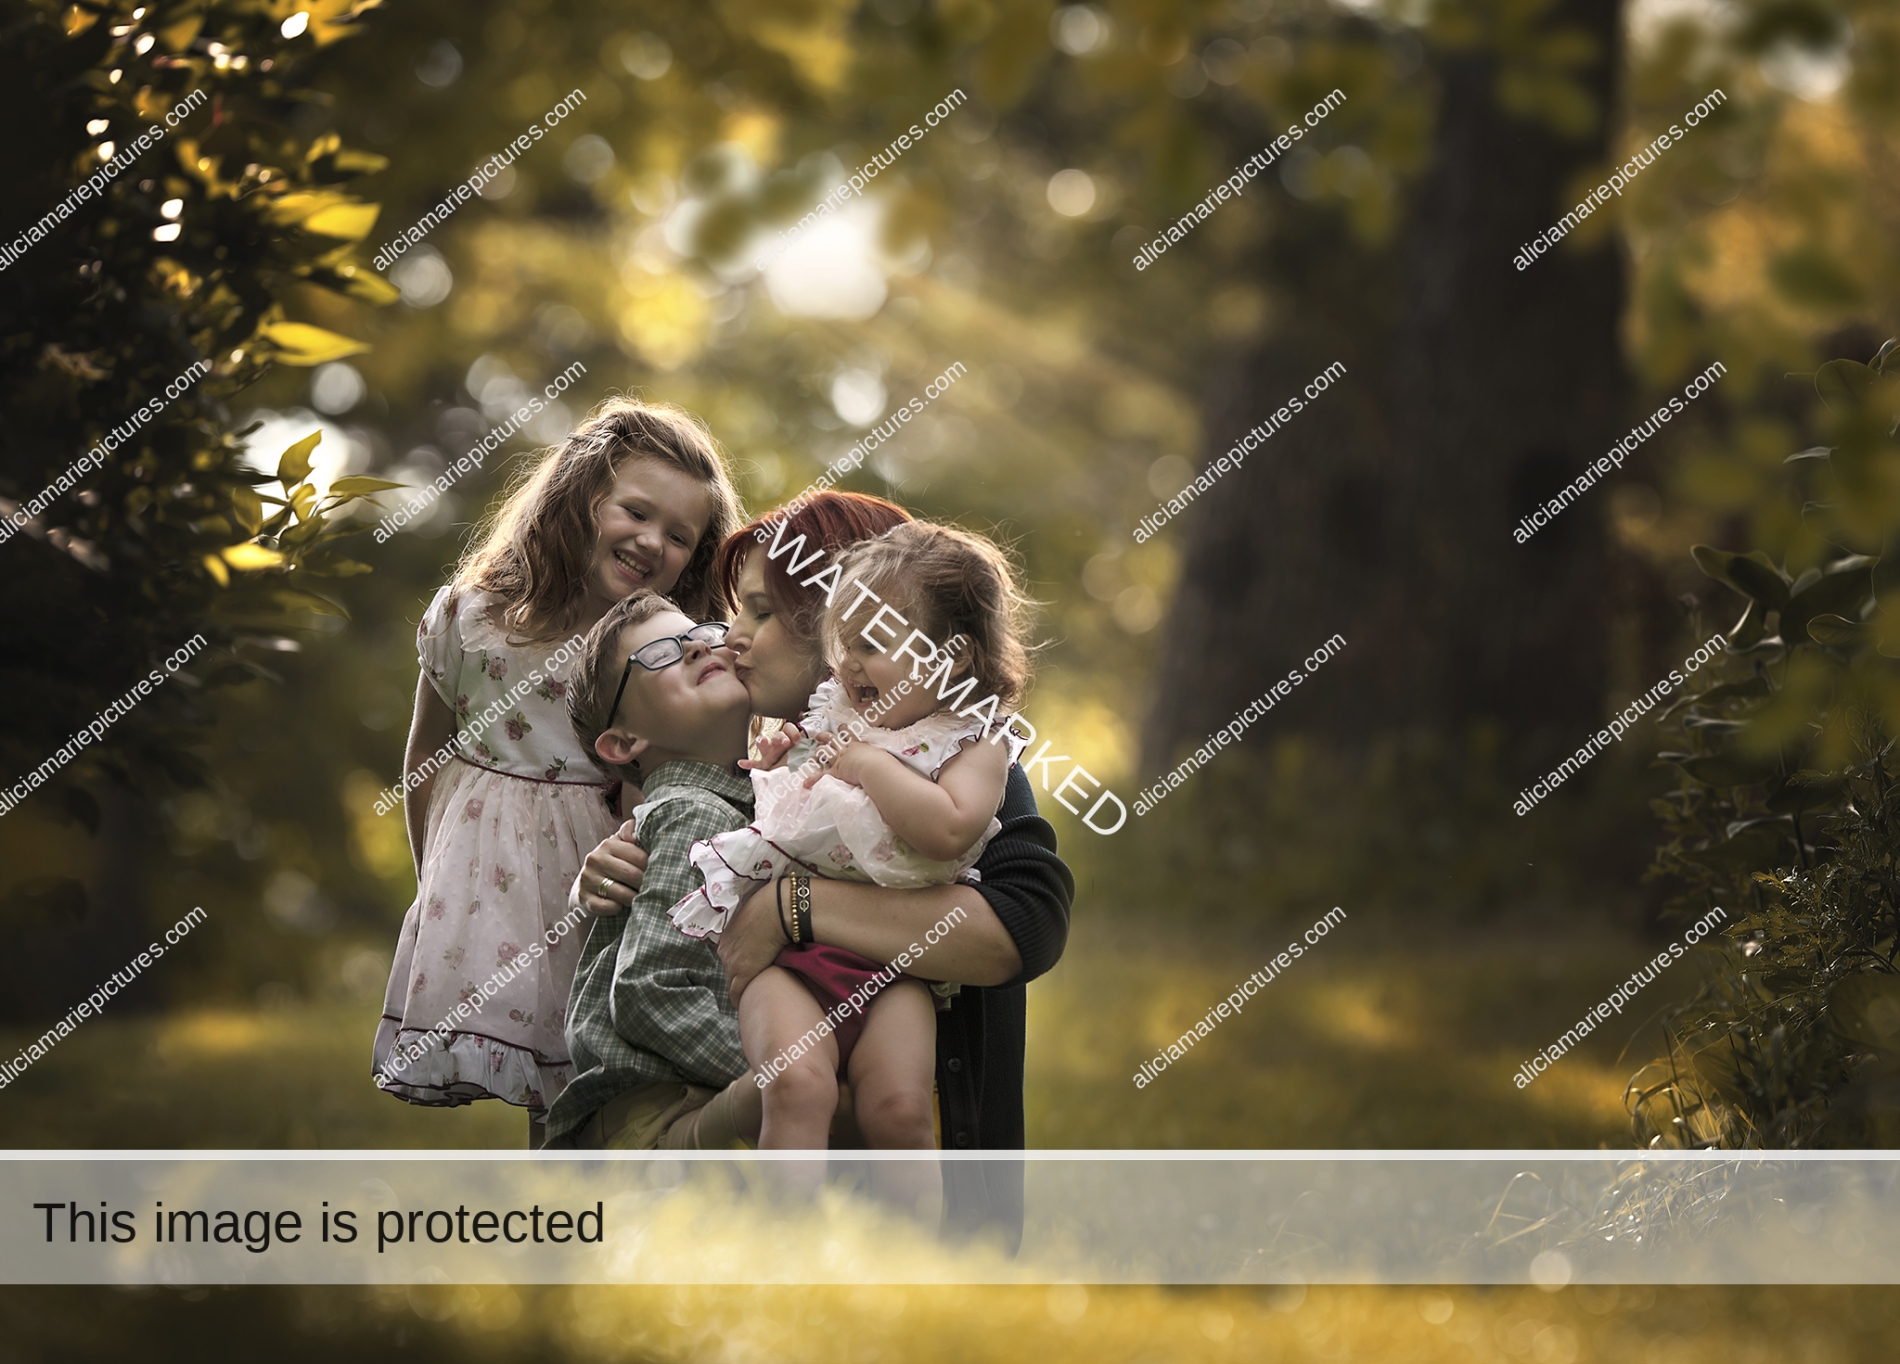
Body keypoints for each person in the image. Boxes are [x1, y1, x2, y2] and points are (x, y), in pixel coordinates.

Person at [565, 491, 1072, 1246]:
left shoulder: (952, 754)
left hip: (936, 1200)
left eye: (763, 613)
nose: (733, 636)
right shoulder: (777, 758)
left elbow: (1020, 929)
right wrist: (602, 872)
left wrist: (793, 906)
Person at [372, 398, 741, 1146]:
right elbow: (425, 755)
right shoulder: (472, 620)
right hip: (496, 893)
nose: (651, 542)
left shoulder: (665, 657)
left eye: (678, 535)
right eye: (635, 512)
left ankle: (634, 1191)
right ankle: (570, 1218)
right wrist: (432, 881)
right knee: (551, 1080)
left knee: (604, 1064)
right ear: (580, 499)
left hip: (609, 886)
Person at [669, 522, 1035, 1220]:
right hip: (792, 965)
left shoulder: (973, 745)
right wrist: (785, 751)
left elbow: (950, 828)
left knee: (899, 1110)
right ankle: (791, 1252)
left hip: (897, 969)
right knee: (797, 1086)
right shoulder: (840, 712)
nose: (849, 667)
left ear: (951, 659)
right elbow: (794, 792)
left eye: (872, 645)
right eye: (846, 646)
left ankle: (922, 1268)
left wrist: (867, 764)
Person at [539, 591, 766, 1151]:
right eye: (661, 654)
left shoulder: (740, 807)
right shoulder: (696, 813)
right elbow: (650, 990)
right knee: (829, 1093)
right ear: (624, 743)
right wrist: (774, 1064)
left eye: (703, 631)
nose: (695, 646)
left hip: (677, 1099)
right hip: (659, 1114)